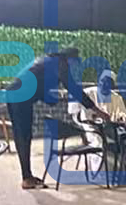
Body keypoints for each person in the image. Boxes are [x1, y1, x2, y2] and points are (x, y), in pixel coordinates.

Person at [6, 48, 111, 190]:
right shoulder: (60, 63)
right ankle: (26, 178)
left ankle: (27, 175)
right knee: (23, 136)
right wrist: (97, 110)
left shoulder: (48, 60)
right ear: (70, 58)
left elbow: (37, 84)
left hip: (15, 93)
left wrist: (51, 99)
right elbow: (73, 87)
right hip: (20, 96)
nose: (74, 66)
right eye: (75, 62)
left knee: (23, 136)